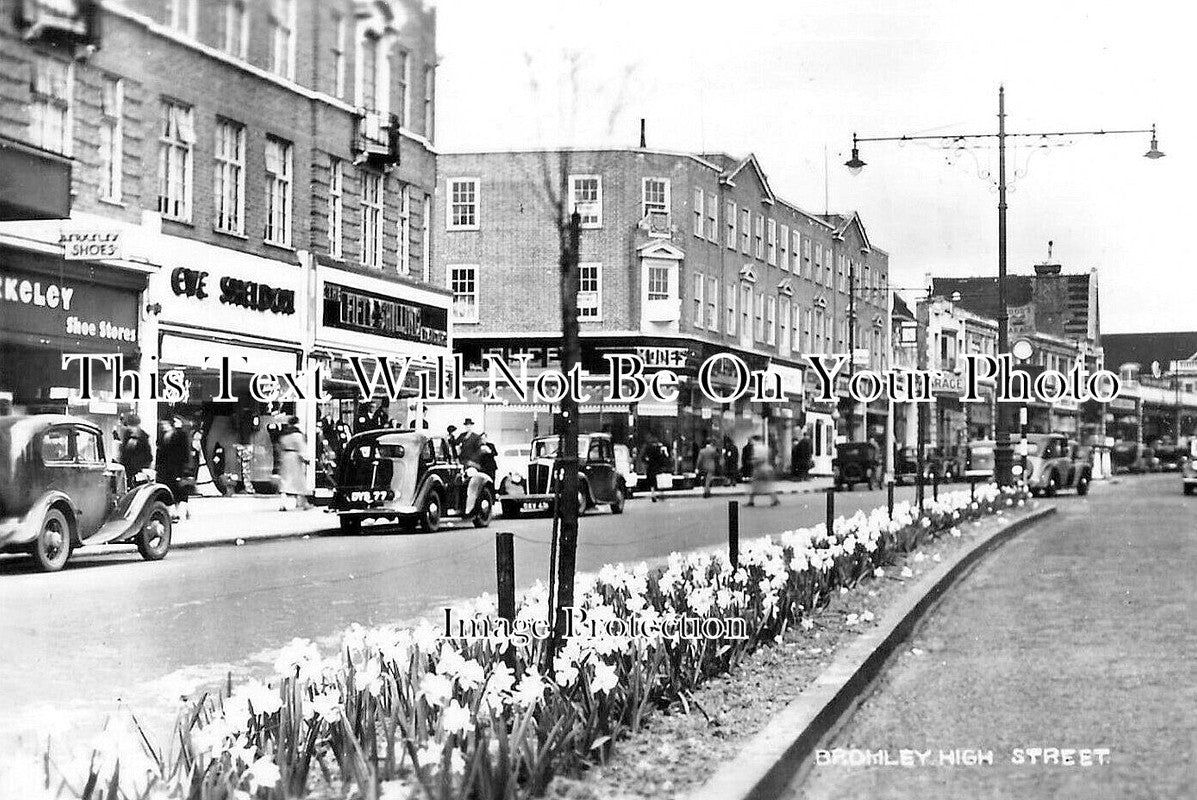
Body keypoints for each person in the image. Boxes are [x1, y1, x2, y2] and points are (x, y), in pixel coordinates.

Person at [156, 416, 192, 520]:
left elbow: (185, 451)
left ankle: (181, 512)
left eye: (165, 424)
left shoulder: (180, 435)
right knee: (171, 488)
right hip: (166, 468)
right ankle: (174, 512)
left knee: (180, 489)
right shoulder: (162, 436)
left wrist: (186, 467)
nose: (163, 427)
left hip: (178, 466)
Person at [277, 416, 310, 511]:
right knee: (298, 481)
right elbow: (301, 447)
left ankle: (283, 504)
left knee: (285, 481)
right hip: (295, 458)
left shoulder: (284, 434)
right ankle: (302, 503)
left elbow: (280, 446)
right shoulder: (297, 435)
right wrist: (306, 458)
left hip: (285, 457)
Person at [119, 413, 153, 486]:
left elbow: (148, 457)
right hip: (134, 472)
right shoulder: (133, 436)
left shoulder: (137, 438)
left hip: (136, 473)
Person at [747, 434, 779, 507]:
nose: (751, 442)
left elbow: (760, 459)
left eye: (751, 440)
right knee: (768, 485)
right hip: (768, 469)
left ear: (754, 440)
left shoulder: (756, 448)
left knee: (754, 485)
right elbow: (770, 458)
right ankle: (775, 500)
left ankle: (751, 501)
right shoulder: (766, 447)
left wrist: (752, 462)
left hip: (759, 469)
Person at [644, 435, 670, 502]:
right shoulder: (659, 448)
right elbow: (663, 457)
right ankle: (659, 494)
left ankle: (653, 494)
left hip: (651, 467)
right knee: (659, 480)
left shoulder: (648, 448)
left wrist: (647, 461)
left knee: (652, 481)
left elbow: (643, 457)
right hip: (657, 467)